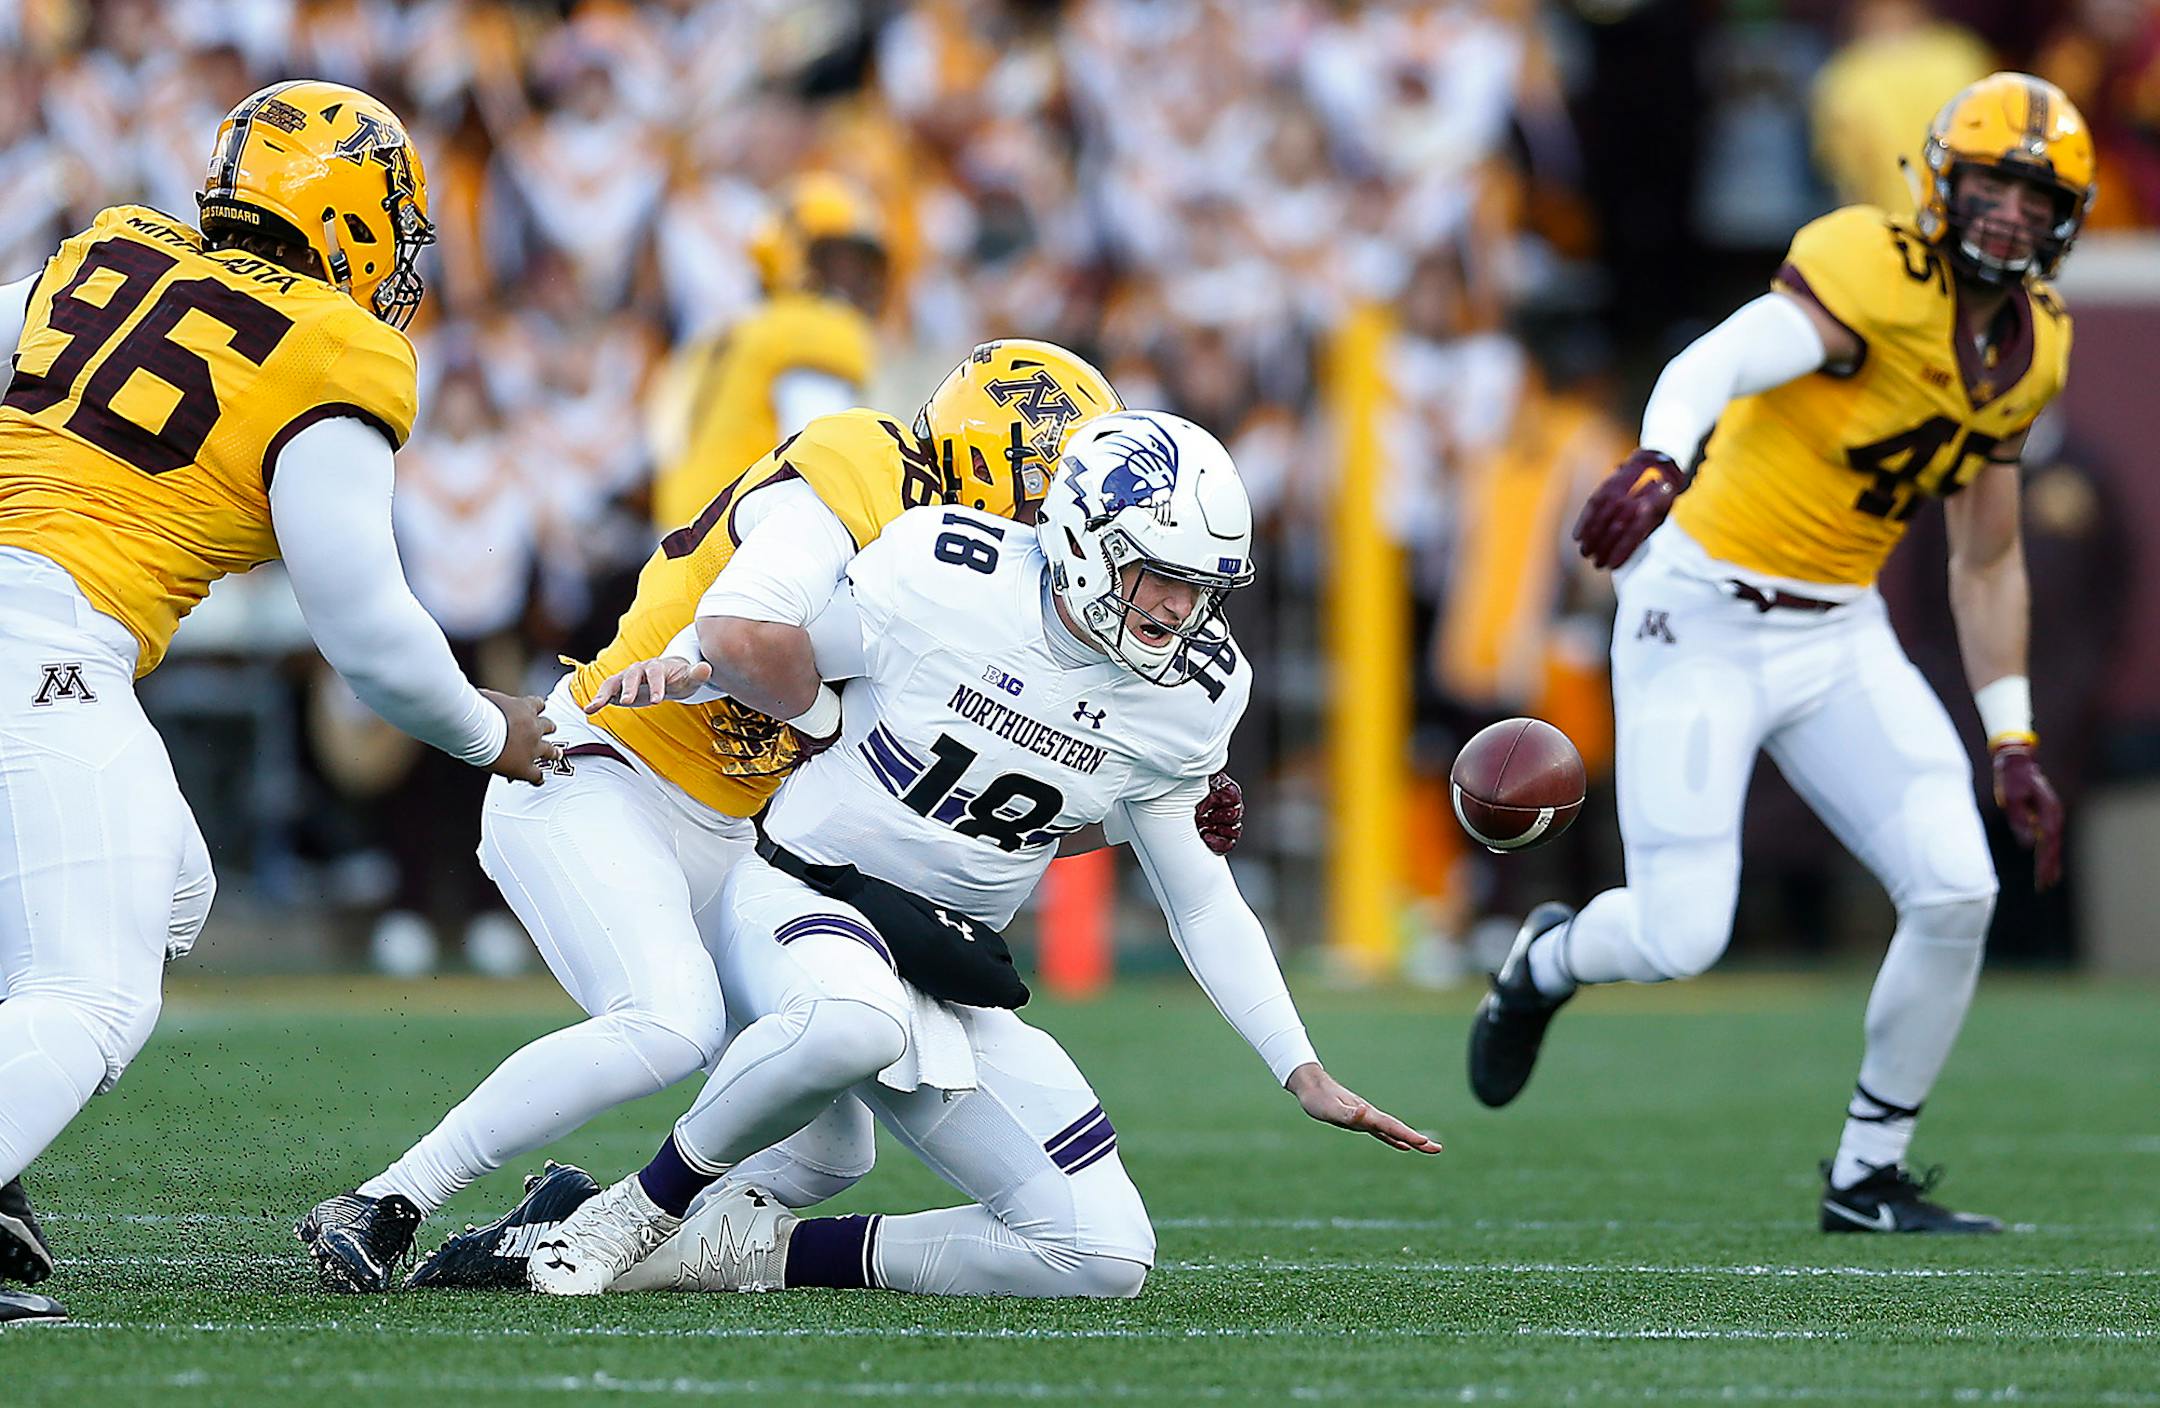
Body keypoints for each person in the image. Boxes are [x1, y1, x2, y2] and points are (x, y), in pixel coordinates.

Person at [299, 341, 1241, 1291]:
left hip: (733, 839)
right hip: (603, 768)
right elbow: (748, 633)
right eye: (1051, 496)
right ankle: (391, 1200)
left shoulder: (974, 581)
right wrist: (826, 717)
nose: (1057, 532)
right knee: (669, 1024)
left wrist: (1133, 814)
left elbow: (966, 786)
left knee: (834, 1149)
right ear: (991, 453)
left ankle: (565, 1233)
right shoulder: (860, 467)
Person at [487, 410, 1439, 1299]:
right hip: (805, 896)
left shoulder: (1193, 693)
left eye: (1202, 587)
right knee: (851, 1027)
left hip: (942, 958)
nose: (1178, 608)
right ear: (1082, 537)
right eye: (1158, 574)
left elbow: (1199, 900)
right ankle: (634, 1213)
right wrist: (690, 668)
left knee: (1104, 1255)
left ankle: (755, 1250)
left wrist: (1300, 1068)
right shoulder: (946, 573)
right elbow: (780, 649)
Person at [1467, 73, 2092, 1234]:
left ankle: (1866, 1176)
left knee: (1958, 887)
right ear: (1939, 179)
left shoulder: (2035, 345)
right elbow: (1714, 360)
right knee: (1678, 934)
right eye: (1991, 182)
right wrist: (1662, 461)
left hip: (1837, 628)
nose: (2008, 210)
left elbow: (1986, 559)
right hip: (1700, 610)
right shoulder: (1872, 263)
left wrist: (2012, 733)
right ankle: (1543, 962)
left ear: (2068, 216)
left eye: (2034, 192)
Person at [0, 81, 561, 1326]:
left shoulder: (112, 251)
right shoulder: (334, 345)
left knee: (176, 887)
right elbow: (363, 626)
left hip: (37, 637)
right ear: (351, 216)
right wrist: (486, 729)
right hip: (43, 645)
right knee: (94, 996)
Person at [647, 172, 887, 533]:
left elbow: (662, 443)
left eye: (860, 266)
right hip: (743, 540)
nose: (853, 279)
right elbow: (818, 457)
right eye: (837, 261)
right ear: (791, 253)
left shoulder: (717, 335)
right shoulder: (816, 329)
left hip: (674, 544)